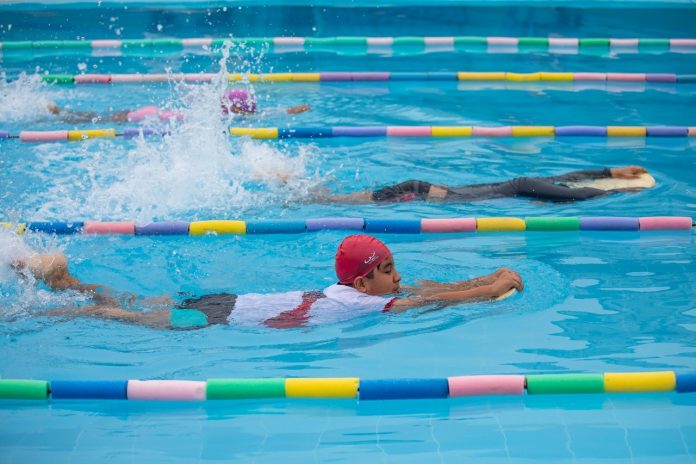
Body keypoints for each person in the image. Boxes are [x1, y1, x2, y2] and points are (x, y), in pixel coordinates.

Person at [13, 235, 523, 330]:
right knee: (118, 315)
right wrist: (493, 289)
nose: (401, 277)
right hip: (213, 317)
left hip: (231, 301)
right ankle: (49, 308)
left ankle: (67, 281)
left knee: (133, 300)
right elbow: (436, 305)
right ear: (366, 282)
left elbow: (429, 287)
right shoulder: (363, 307)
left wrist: (489, 274)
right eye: (390, 270)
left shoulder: (357, 291)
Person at [322, 166, 650, 204]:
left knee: (413, 186)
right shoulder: (526, 185)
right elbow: (573, 188)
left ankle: (336, 200)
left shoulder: (525, 184)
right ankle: (337, 200)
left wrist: (613, 178)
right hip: (451, 195)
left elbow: (572, 186)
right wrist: (612, 180)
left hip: (450, 195)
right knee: (414, 186)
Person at [46, 89, 311, 124]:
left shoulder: (212, 111)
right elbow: (264, 114)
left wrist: (289, 110)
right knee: (97, 120)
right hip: (149, 119)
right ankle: (63, 115)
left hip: (152, 112)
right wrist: (289, 111)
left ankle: (64, 112)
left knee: (98, 117)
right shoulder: (223, 119)